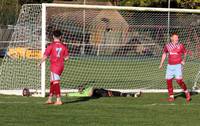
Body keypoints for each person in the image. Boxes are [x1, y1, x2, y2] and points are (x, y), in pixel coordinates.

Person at [39, 30, 69, 105]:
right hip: (61, 66)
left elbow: (45, 56)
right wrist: (61, 58)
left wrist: (40, 62)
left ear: (53, 36)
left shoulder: (51, 46)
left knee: (55, 82)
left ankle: (59, 100)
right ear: (60, 37)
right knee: (52, 82)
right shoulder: (64, 46)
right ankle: (50, 98)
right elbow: (67, 58)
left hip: (54, 66)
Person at [159, 32, 191, 102]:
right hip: (170, 66)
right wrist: (161, 63)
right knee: (168, 81)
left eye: (177, 37)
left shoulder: (180, 45)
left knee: (179, 81)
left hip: (178, 66)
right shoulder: (168, 46)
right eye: (175, 37)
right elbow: (164, 53)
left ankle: (186, 92)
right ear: (171, 38)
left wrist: (184, 60)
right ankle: (171, 96)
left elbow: (185, 52)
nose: (177, 39)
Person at [67, 85, 141, 98]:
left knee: (118, 93)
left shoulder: (87, 89)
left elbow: (93, 88)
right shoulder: (81, 94)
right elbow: (69, 94)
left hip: (100, 91)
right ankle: (134, 95)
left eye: (81, 88)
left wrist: (91, 92)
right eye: (80, 88)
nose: (80, 89)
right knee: (118, 94)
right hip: (102, 93)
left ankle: (133, 95)